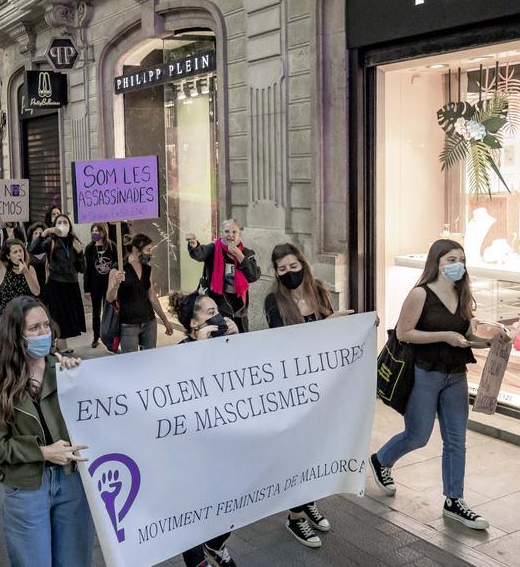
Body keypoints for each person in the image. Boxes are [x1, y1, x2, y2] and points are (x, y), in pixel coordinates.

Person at [370, 239, 495, 532]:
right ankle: (381, 460)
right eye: (451, 259)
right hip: (424, 373)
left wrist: (492, 341)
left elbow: (466, 334)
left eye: (461, 259)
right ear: (436, 263)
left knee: (456, 439)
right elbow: (404, 333)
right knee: (418, 435)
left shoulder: (461, 293)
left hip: (456, 374)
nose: (457, 265)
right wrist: (443, 336)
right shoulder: (420, 294)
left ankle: (454, 500)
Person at [0, 296, 93, 566]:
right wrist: (42, 452)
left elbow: (90, 419)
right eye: (34, 328)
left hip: (71, 482)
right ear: (15, 335)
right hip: (27, 488)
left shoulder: (63, 370)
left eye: (46, 325)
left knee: (75, 560)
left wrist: (77, 382)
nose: (44, 333)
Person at [264, 242, 354, 548]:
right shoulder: (273, 301)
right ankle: (296, 516)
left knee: (317, 448)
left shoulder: (318, 290)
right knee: (299, 451)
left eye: (293, 266)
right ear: (276, 273)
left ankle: (307, 499)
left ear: (303, 263)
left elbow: (337, 333)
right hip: (292, 388)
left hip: (323, 384)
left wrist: (358, 328)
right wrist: (330, 324)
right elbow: (285, 343)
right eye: (282, 269)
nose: (290, 273)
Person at [167, 291, 240, 567]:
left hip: (226, 443)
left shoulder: (228, 343)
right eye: (209, 313)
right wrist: (200, 350)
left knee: (233, 501)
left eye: (217, 310)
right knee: (192, 508)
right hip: (193, 450)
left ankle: (216, 544)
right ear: (193, 324)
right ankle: (197, 560)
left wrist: (236, 340)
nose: (218, 316)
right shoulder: (182, 352)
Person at [186, 220, 261, 332]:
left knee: (241, 338)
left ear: (239, 235)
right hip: (218, 304)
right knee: (220, 337)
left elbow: (253, 276)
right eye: (227, 231)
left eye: (234, 232)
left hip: (239, 307)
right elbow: (200, 253)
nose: (230, 235)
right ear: (221, 234)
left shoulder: (247, 253)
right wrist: (194, 245)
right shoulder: (214, 248)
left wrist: (240, 257)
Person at [105, 233, 174, 353]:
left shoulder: (147, 269)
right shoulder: (118, 269)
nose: (150, 253)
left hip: (149, 321)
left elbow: (152, 296)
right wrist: (115, 284)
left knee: (150, 358)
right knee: (131, 362)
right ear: (137, 249)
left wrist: (165, 320)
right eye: (148, 249)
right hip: (128, 324)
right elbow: (110, 298)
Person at [34, 214, 87, 348]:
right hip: (56, 284)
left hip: (72, 285)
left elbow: (82, 269)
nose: (63, 224)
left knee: (69, 319)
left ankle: (60, 345)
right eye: (59, 222)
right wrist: (45, 233)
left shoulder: (74, 241)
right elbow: (33, 249)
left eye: (65, 222)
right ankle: (61, 347)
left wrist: (80, 253)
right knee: (57, 317)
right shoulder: (51, 240)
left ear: (69, 225)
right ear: (55, 225)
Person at [83, 223, 116, 348]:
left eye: (98, 230)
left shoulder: (111, 246)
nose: (95, 232)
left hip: (109, 285)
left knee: (109, 312)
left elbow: (117, 262)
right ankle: (96, 336)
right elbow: (88, 270)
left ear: (103, 232)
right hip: (95, 285)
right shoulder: (89, 248)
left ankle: (110, 337)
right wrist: (87, 289)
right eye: (93, 230)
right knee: (96, 313)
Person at [0, 239, 42, 313]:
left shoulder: (30, 269)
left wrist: (26, 272)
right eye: (15, 252)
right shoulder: (3, 270)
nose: (19, 254)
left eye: (21, 251)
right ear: (8, 256)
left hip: (27, 311)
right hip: (9, 313)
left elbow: (36, 292)